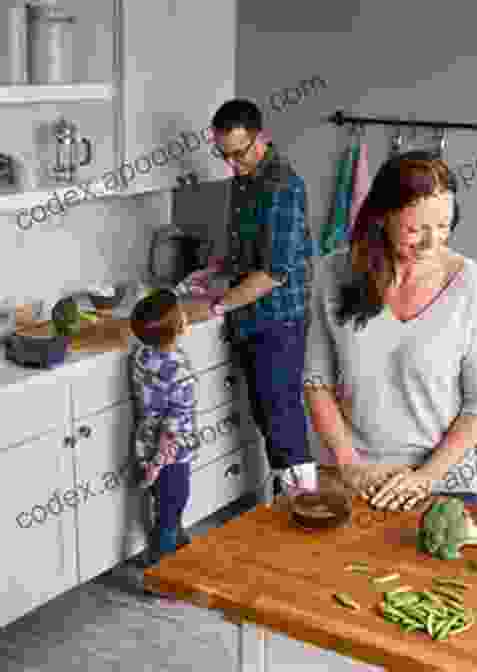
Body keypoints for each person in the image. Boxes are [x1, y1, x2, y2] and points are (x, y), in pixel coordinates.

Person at [303, 151, 477, 513]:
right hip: (352, 475)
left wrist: (425, 477)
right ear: (382, 219)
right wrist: (350, 464)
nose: (432, 243)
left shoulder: (473, 285)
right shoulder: (332, 274)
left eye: (444, 226)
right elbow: (317, 381)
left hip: (443, 481)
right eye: (416, 229)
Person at [191, 99, 319, 497]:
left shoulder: (281, 186)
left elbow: (274, 272)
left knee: (281, 418)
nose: (231, 164)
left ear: (260, 137)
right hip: (251, 316)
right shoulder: (245, 180)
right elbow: (247, 251)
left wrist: (216, 305)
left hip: (277, 318)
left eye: (238, 153)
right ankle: (289, 505)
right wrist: (214, 269)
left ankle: (304, 503)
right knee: (268, 416)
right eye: (223, 154)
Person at [129, 289, 198, 566]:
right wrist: (160, 462)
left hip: (145, 441)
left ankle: (177, 543)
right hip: (171, 453)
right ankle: (161, 569)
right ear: (179, 326)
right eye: (181, 311)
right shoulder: (180, 373)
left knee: (165, 505)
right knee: (173, 506)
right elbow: (173, 429)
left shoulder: (142, 356)